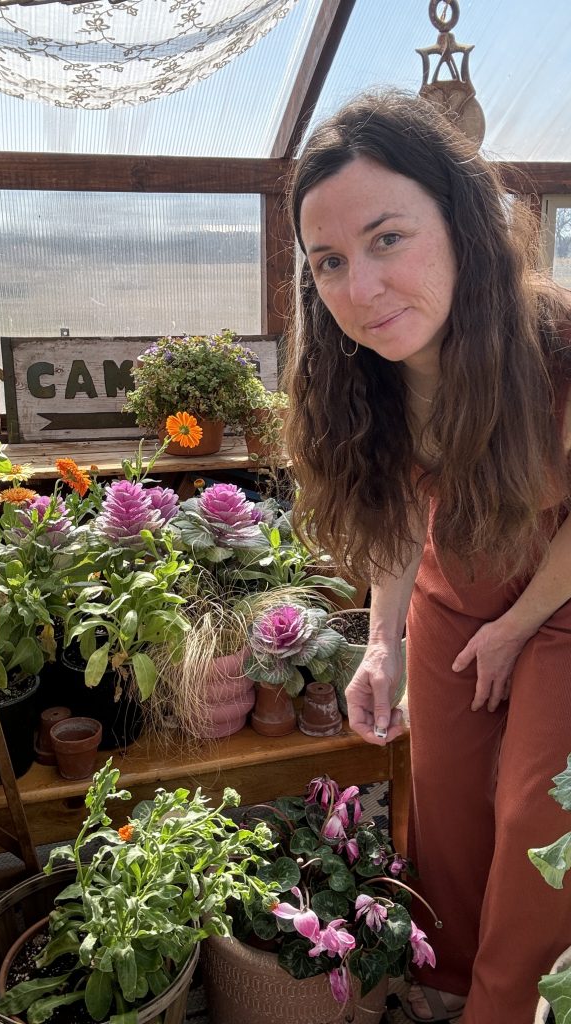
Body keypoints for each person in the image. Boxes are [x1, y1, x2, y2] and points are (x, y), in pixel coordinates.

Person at [284, 90, 571, 1024]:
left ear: (459, 219)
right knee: (442, 801)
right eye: (329, 261)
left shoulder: (557, 349)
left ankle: (506, 1008)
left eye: (387, 239)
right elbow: (400, 510)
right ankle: (446, 984)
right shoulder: (365, 374)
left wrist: (518, 629)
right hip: (455, 591)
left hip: (562, 597)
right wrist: (383, 643)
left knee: (539, 817)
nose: (359, 289)